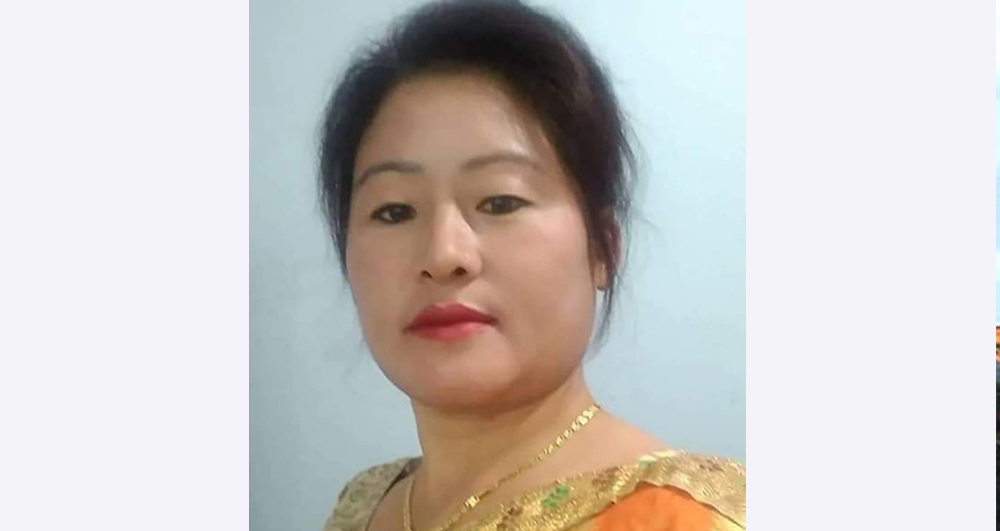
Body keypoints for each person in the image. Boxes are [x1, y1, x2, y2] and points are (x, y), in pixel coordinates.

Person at [317, 1, 745, 529]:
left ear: (603, 249)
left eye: (501, 202)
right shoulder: (362, 507)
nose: (444, 255)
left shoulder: (683, 518)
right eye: (394, 210)